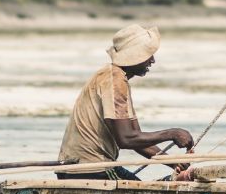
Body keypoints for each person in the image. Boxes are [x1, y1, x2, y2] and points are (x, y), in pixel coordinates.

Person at [57, 23, 194, 181]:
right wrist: (172, 133)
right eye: (148, 55)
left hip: (78, 168)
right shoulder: (115, 80)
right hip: (90, 169)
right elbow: (126, 139)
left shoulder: (115, 77)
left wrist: (172, 162)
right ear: (136, 56)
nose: (153, 61)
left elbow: (137, 140)